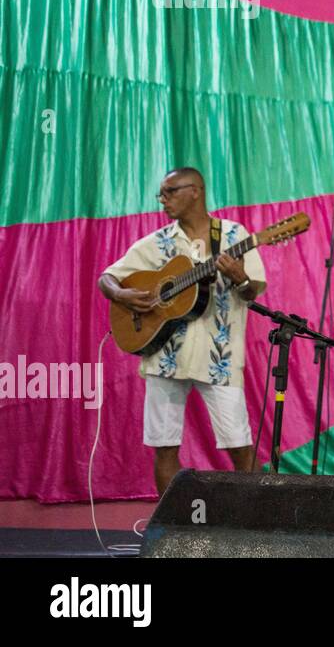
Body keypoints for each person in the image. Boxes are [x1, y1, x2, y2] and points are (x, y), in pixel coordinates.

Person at [99, 167, 266, 495]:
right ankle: (168, 525)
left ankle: (254, 522)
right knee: (164, 445)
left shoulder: (233, 236)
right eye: (160, 194)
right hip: (164, 357)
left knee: (240, 444)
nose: (163, 200)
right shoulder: (158, 242)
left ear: (196, 191)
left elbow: (251, 291)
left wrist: (240, 277)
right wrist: (121, 295)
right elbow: (108, 277)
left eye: (170, 192)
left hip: (219, 357)